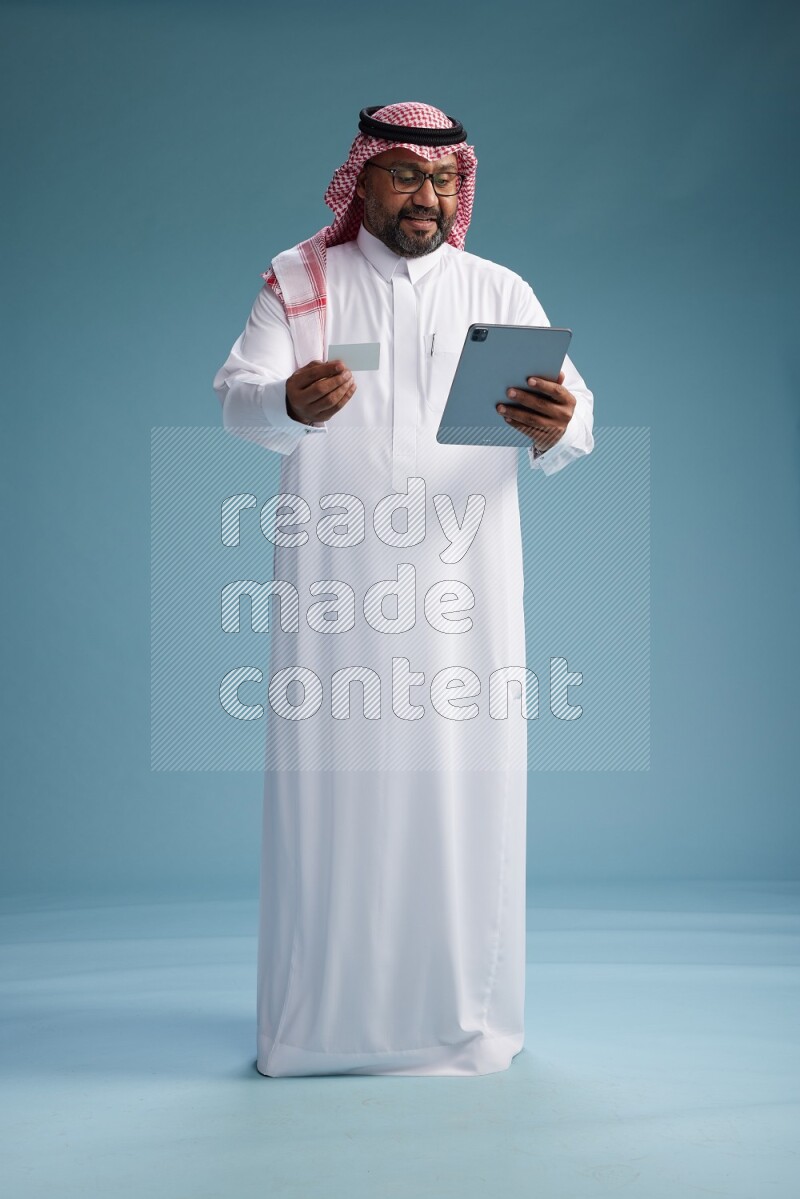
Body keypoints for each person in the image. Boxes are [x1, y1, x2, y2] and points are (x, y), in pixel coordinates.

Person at [213, 101, 594, 1077]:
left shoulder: (495, 285)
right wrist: (285, 402)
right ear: (360, 181)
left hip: (465, 598)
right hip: (337, 599)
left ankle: (459, 1029)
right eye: (403, 177)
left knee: (461, 800)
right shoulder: (300, 281)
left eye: (443, 180)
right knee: (331, 801)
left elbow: (576, 417)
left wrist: (554, 425)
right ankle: (313, 1032)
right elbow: (237, 397)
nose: (425, 197)